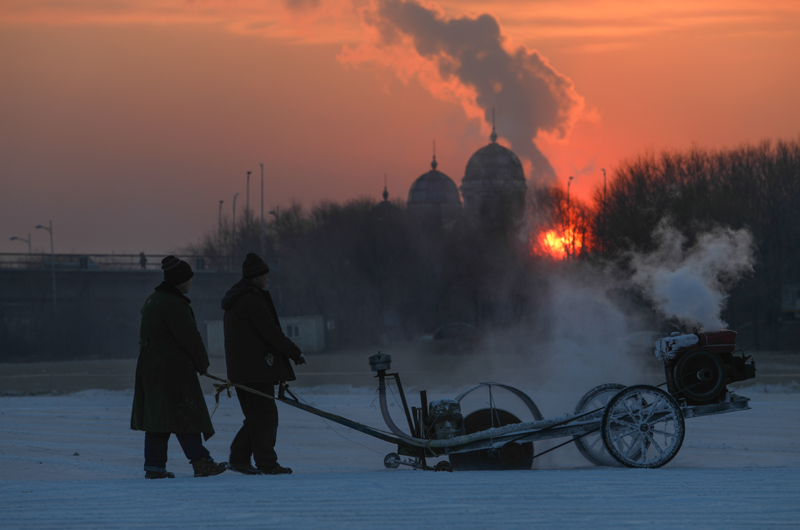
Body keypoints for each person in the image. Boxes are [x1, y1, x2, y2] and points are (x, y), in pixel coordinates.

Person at [131, 255, 228, 479]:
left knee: (158, 419)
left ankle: (154, 468)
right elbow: (189, 337)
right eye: (189, 279)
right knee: (185, 415)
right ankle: (201, 462)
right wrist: (202, 364)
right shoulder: (174, 304)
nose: (191, 282)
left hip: (150, 369)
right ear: (179, 280)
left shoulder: (153, 300)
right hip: (172, 370)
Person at [221, 253, 306, 475]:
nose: (268, 279)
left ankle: (239, 458)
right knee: (265, 417)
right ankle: (267, 463)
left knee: (256, 417)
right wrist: (294, 352)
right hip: (256, 370)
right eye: (265, 275)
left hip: (243, 370)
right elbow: (270, 331)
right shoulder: (251, 299)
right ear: (255, 277)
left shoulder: (237, 297)